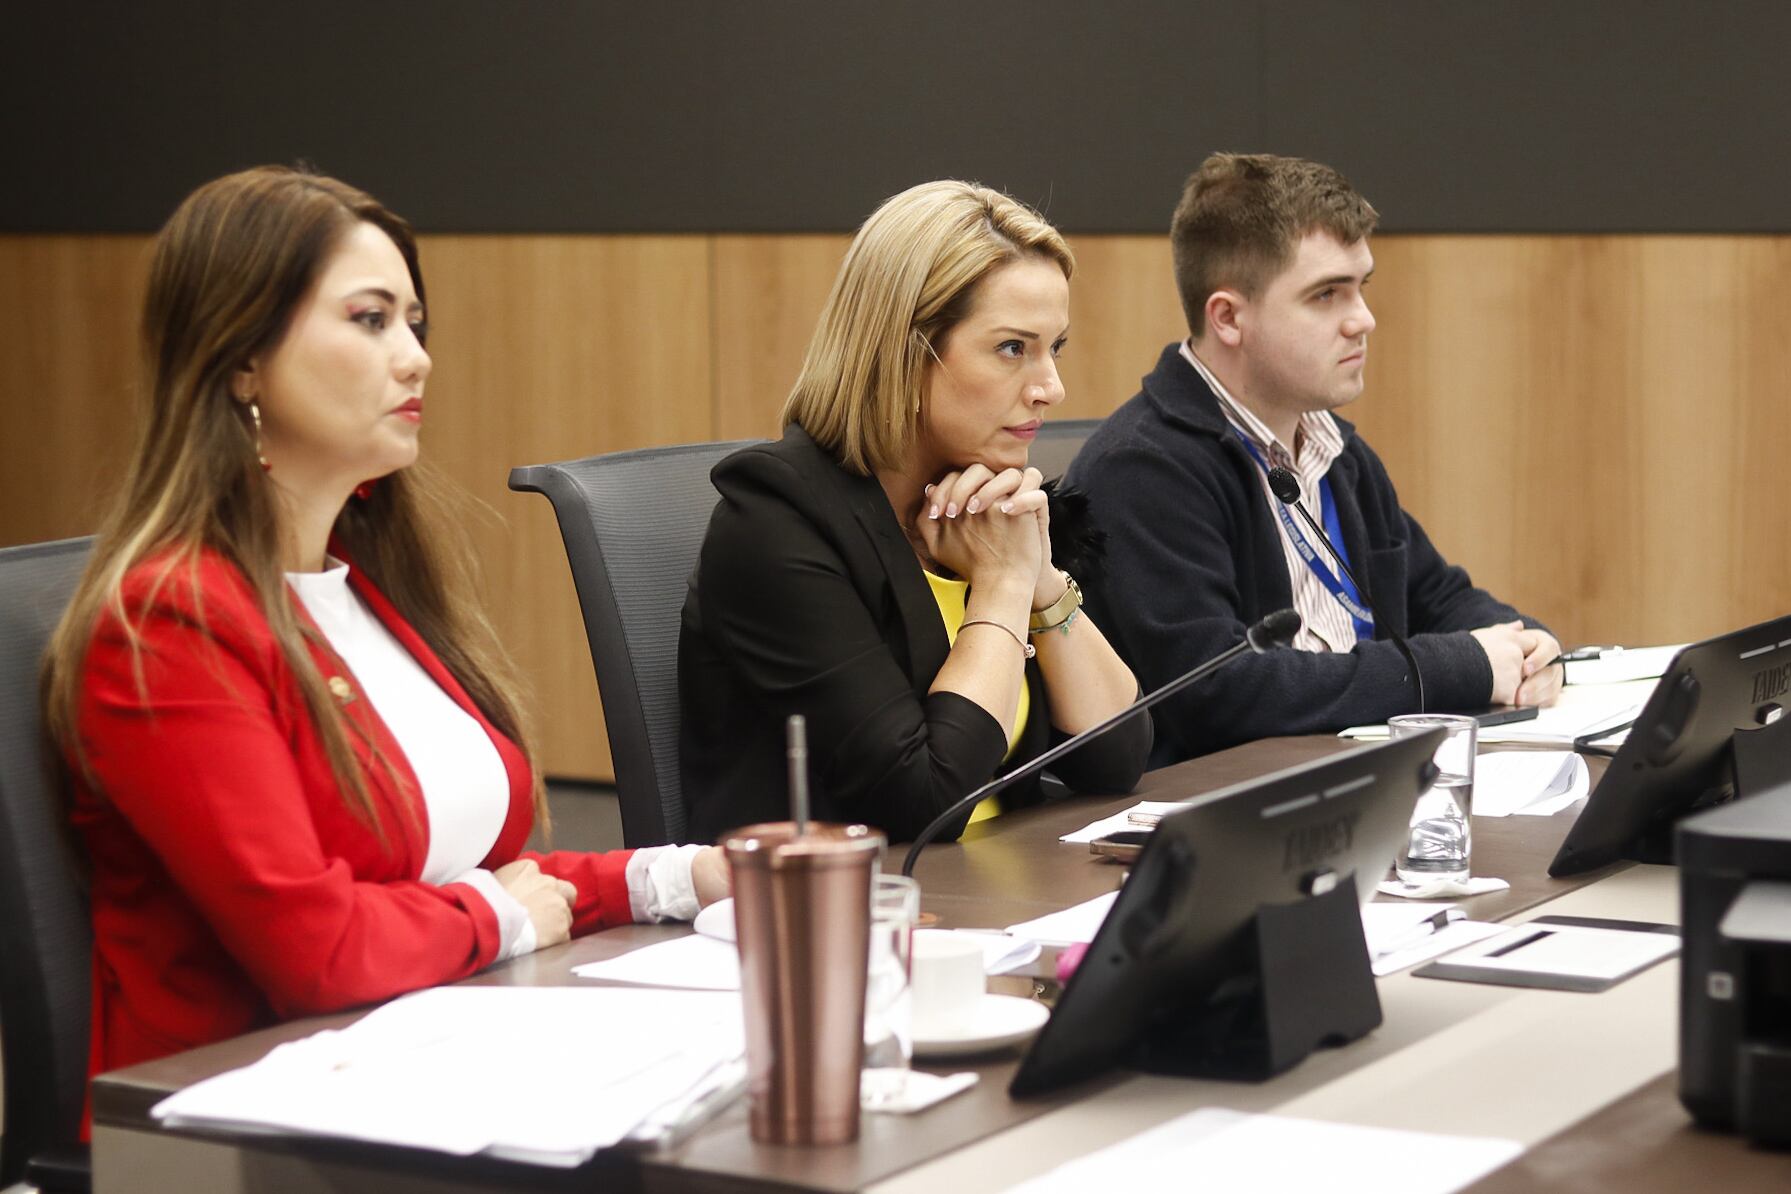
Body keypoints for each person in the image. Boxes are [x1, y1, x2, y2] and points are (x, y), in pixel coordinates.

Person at [41, 167, 729, 1098]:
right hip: (241, 1113)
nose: (415, 357)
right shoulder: (168, 624)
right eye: (370, 320)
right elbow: (317, 949)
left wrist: (686, 878)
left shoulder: (362, 587)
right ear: (240, 357)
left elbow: (475, 876)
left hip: (430, 1053)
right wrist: (496, 916)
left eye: (415, 323)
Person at [680, 181, 1151, 843]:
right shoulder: (775, 522)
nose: (1051, 387)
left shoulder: (985, 511)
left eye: (1055, 348)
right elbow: (921, 801)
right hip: (843, 914)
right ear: (906, 352)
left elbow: (1118, 756)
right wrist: (1004, 586)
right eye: (1013, 348)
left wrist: (1037, 577)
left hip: (996, 891)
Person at [1066, 153, 1562, 766]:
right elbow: (1218, 692)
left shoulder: (1337, 453)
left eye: (1361, 287)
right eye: (1327, 294)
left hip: (1352, 786)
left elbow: (1439, 596)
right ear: (1227, 318)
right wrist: (1460, 667)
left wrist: (1525, 645)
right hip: (1222, 815)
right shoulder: (1143, 470)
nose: (1363, 320)